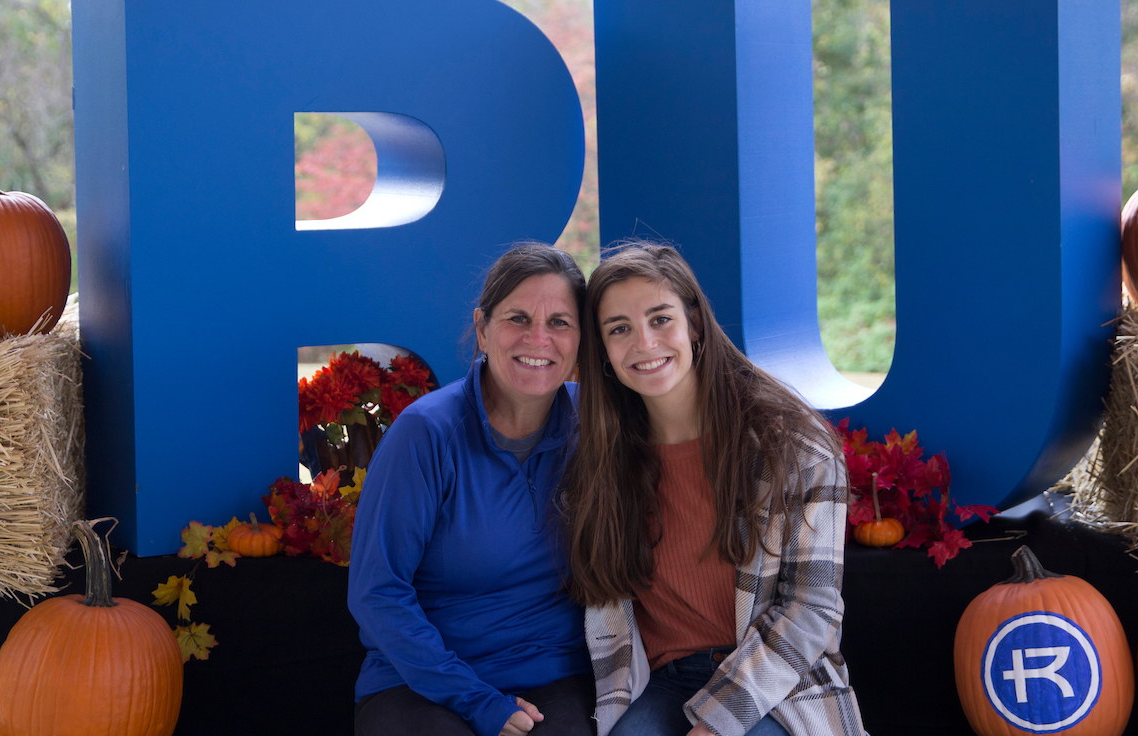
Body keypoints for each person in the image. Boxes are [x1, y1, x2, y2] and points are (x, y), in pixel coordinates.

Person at [562, 242, 867, 736]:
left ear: (695, 325)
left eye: (661, 319)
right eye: (619, 329)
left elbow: (813, 608)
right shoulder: (601, 459)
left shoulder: (791, 444)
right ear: (603, 353)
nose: (643, 342)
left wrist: (717, 723)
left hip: (777, 683)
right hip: (666, 684)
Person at [349, 242, 596, 736]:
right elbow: (378, 593)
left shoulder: (595, 427)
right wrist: (480, 701)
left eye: (560, 323)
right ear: (483, 330)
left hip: (558, 677)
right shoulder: (425, 434)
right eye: (518, 318)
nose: (538, 338)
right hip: (420, 681)